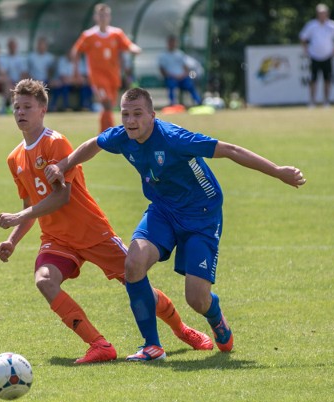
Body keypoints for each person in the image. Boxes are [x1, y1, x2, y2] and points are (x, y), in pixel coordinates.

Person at [45, 87, 307, 361]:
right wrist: (63, 165)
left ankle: (216, 318)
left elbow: (229, 150)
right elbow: (94, 144)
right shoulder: (122, 136)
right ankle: (151, 346)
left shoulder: (175, 138)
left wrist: (278, 172)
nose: (130, 120)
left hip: (201, 216)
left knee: (197, 298)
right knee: (133, 262)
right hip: (163, 212)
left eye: (137, 114)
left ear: (152, 115)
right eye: (125, 114)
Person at [0, 79, 213, 364]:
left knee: (136, 283)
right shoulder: (15, 158)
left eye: (27, 107)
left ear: (43, 110)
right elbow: (30, 206)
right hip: (57, 238)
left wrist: (19, 217)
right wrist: (12, 241)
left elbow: (61, 198)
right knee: (44, 280)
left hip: (92, 232)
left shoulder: (55, 143)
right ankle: (99, 345)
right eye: (16, 107)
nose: (20, 113)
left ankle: (182, 330)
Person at [71, 3, 142, 132]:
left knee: (108, 106)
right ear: (96, 17)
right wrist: (76, 72)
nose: (103, 17)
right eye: (101, 15)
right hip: (97, 77)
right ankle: (111, 132)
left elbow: (128, 45)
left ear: (109, 17)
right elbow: (75, 51)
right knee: (106, 103)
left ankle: (104, 133)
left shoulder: (116, 33)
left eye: (106, 15)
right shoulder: (89, 35)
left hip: (113, 76)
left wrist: (135, 49)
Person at [299, 3, 334, 107]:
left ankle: (326, 102)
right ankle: (312, 102)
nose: (322, 15)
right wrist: (306, 50)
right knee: (313, 80)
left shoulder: (332, 25)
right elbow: (303, 37)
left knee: (327, 80)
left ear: (327, 14)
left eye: (324, 13)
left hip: (327, 57)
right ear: (317, 14)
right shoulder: (311, 25)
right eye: (320, 13)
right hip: (314, 57)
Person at [158, 35, 202, 106]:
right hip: (171, 77)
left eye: (174, 42)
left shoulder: (180, 54)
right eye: (171, 42)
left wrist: (183, 75)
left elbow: (186, 67)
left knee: (190, 85)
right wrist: (173, 76)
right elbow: (162, 70)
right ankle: (172, 104)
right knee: (171, 84)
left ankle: (198, 102)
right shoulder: (163, 55)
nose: (172, 44)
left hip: (182, 77)